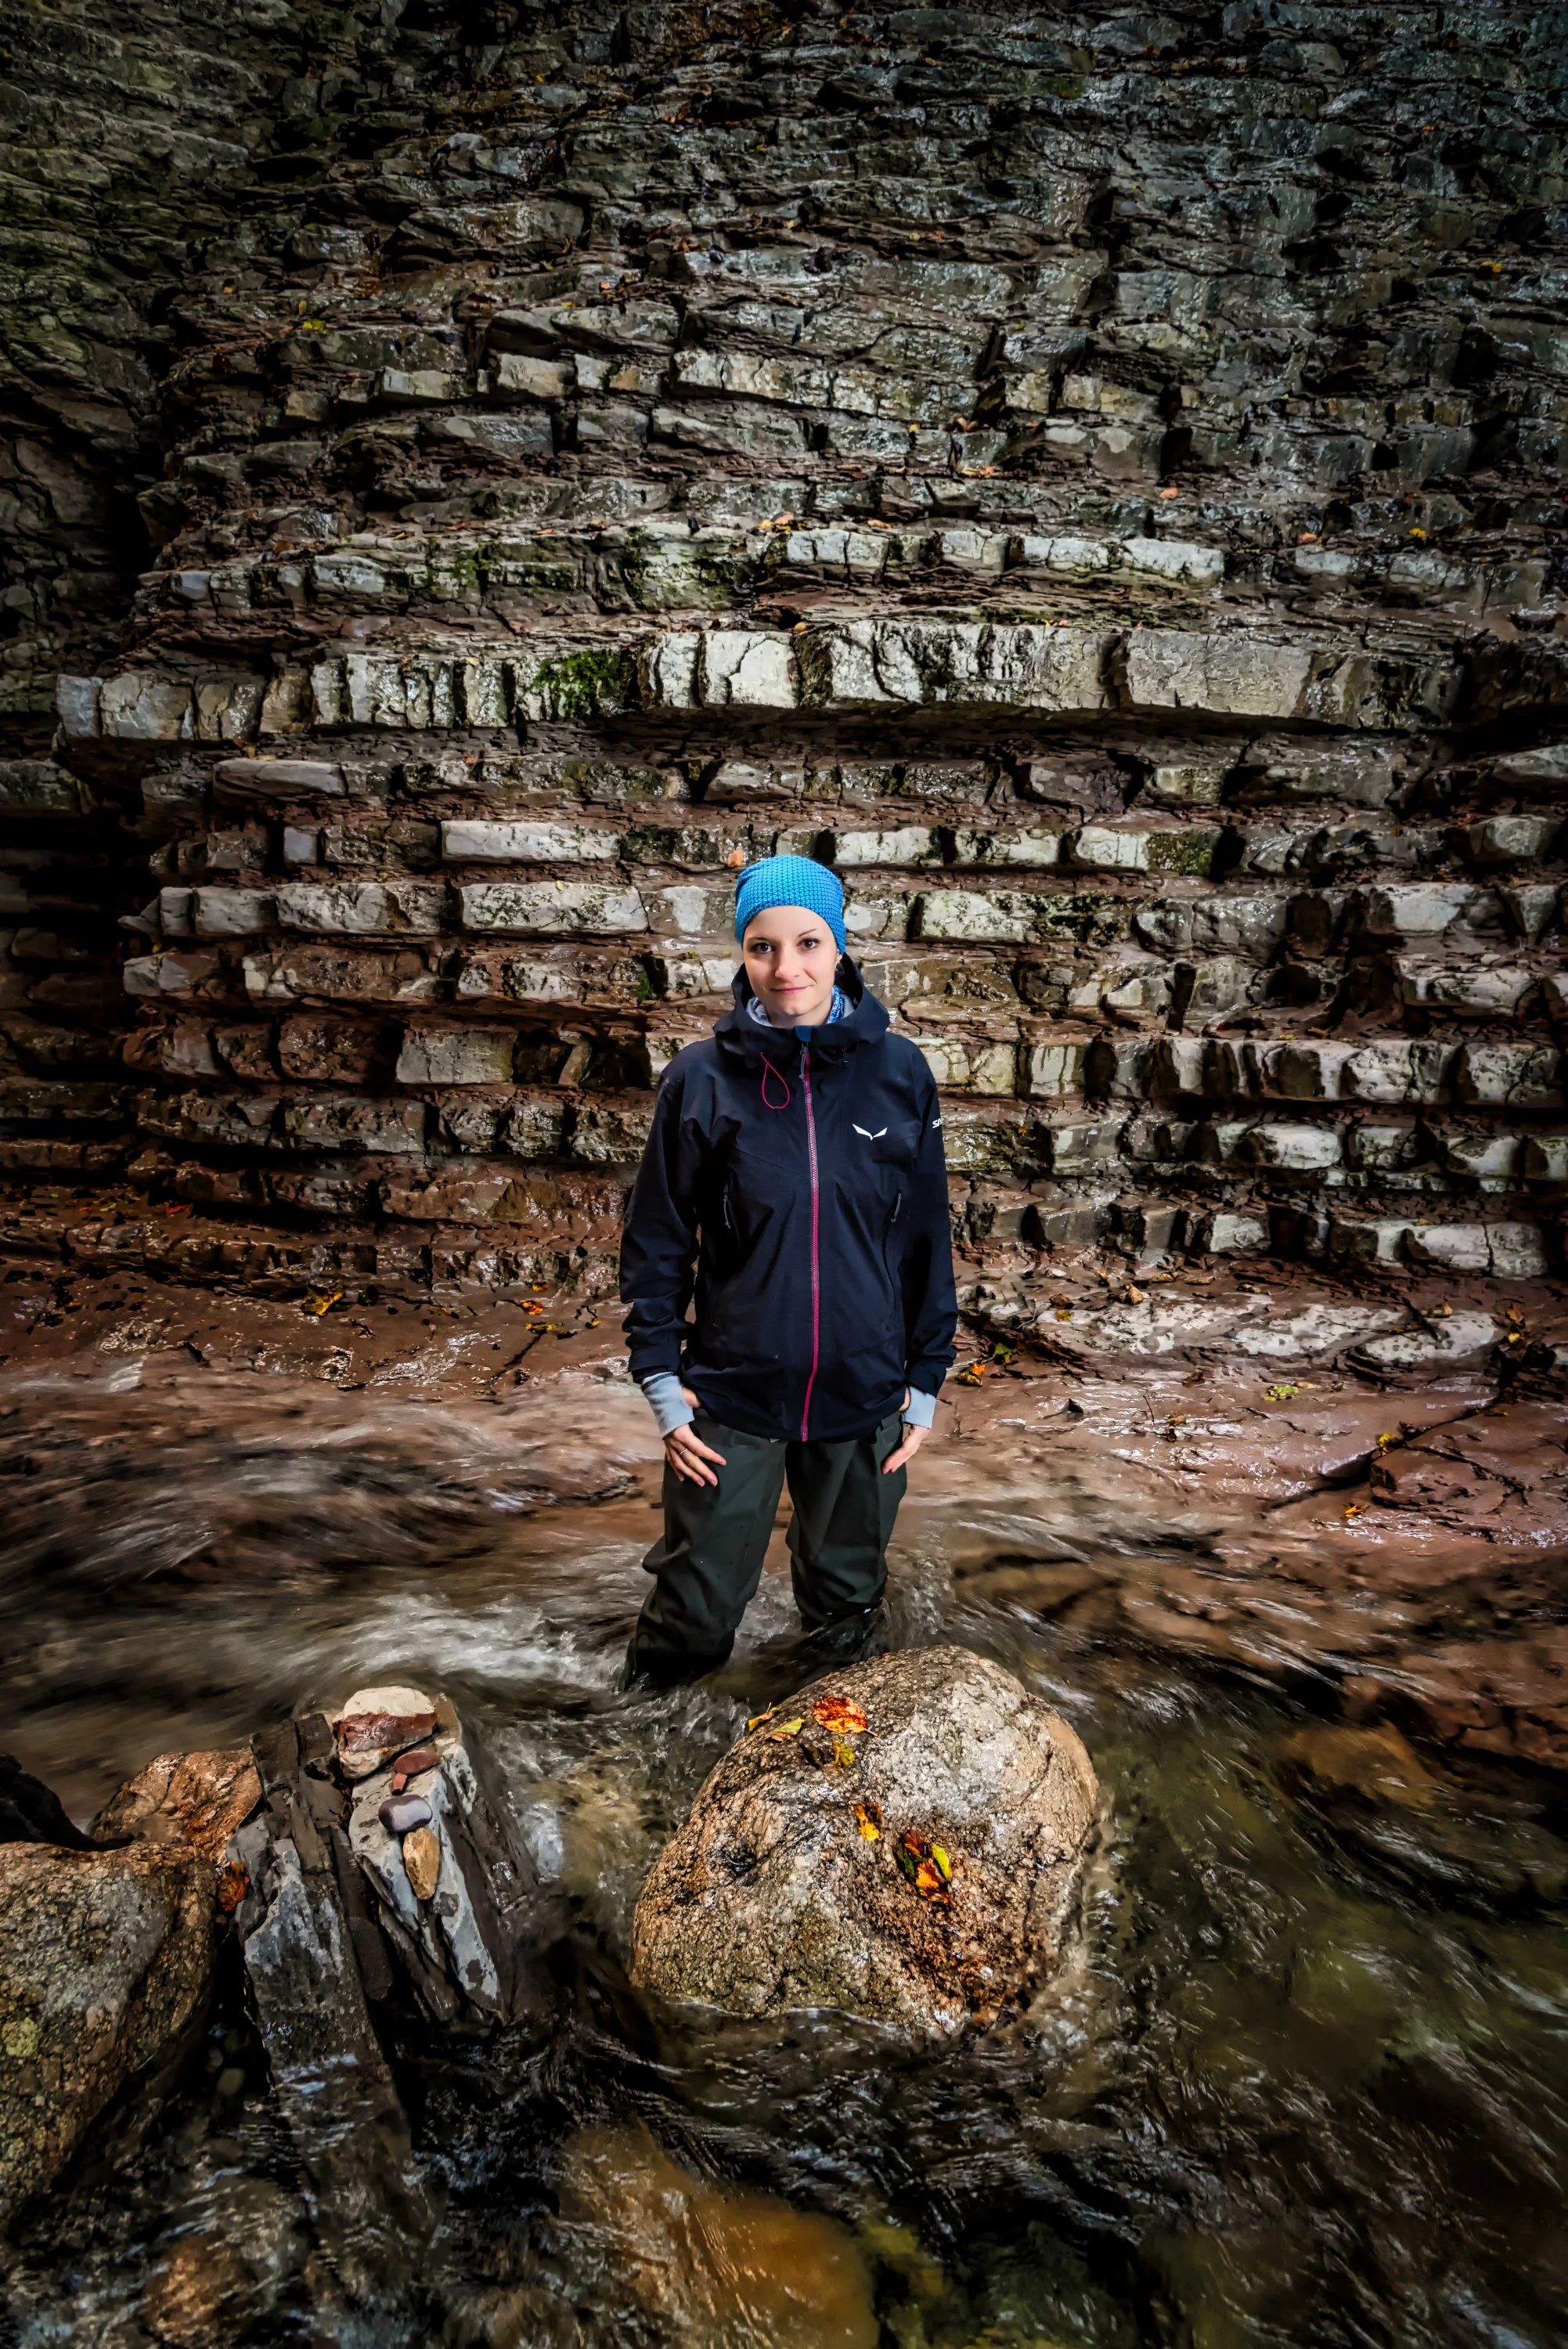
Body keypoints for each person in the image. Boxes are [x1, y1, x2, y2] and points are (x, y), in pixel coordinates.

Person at [618, 853, 957, 1686]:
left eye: (807, 943)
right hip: (731, 1396)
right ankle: (628, 1783)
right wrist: (662, 1386)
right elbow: (658, 1239)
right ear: (742, 955)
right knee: (692, 1617)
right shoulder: (700, 1080)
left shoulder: (897, 1073)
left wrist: (923, 1380)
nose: (786, 969)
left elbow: (921, 1236)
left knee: (844, 1614)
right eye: (762, 947)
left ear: (839, 947)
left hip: (864, 1394)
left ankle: (818, 1769)